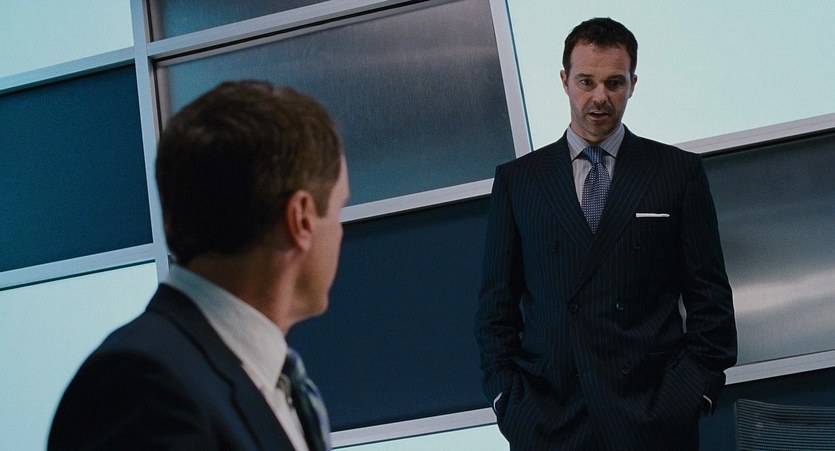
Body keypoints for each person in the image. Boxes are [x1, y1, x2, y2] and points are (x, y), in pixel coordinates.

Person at [475, 17, 737, 450]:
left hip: (653, 417)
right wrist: (508, 401)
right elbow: (494, 310)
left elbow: (710, 297)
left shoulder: (676, 172)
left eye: (614, 83)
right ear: (565, 81)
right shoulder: (519, 181)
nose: (599, 97)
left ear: (633, 84)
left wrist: (693, 393)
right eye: (586, 81)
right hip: (551, 419)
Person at [48, 80, 349, 450]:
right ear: (301, 218)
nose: (340, 231)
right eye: (340, 209)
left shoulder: (265, 380)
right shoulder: (140, 386)